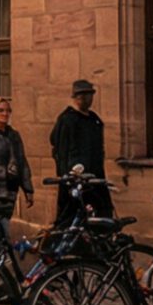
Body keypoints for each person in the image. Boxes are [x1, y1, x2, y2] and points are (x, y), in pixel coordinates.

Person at [49, 80, 112, 225]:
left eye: (89, 95)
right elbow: (60, 151)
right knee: (70, 216)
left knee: (101, 214)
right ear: (75, 97)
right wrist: (67, 177)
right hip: (75, 179)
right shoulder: (67, 120)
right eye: (82, 96)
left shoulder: (94, 120)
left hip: (95, 176)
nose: (86, 99)